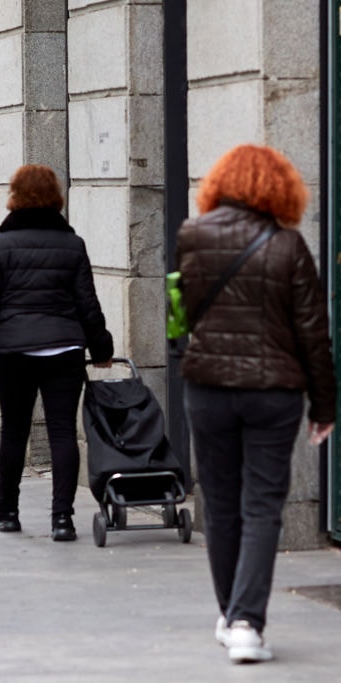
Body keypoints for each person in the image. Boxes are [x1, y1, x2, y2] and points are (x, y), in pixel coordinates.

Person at [175, 144, 335, 664]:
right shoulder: (288, 244)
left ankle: (231, 616)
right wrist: (324, 406)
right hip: (273, 392)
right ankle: (247, 621)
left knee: (220, 504)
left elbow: (184, 313)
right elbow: (313, 332)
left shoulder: (192, 235)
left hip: (207, 388)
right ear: (279, 188)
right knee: (262, 504)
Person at [0, 164, 113, 543]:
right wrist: (102, 349)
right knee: (62, 431)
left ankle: (8, 511)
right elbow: (87, 305)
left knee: (13, 430)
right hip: (65, 349)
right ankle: (63, 519)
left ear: (16, 195)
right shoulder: (72, 244)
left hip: (15, 350)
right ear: (55, 196)